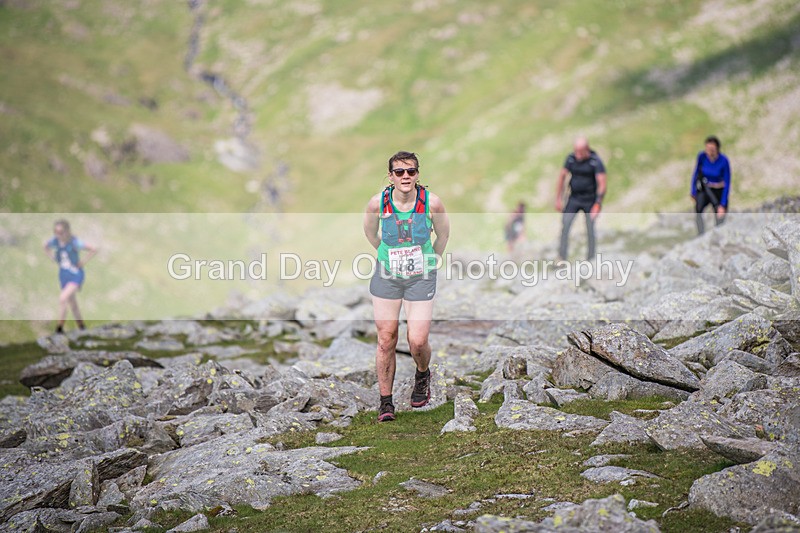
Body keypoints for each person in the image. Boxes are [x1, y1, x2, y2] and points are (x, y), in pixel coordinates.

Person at [363, 151, 450, 422]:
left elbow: (443, 234)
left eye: (411, 171)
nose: (405, 176)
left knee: (417, 339)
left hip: (420, 276)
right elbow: (370, 233)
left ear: (417, 174)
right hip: (387, 275)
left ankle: (422, 373)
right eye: (399, 172)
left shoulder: (432, 203)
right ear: (390, 176)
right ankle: (386, 402)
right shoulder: (377, 203)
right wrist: (387, 255)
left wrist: (431, 261)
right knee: (386, 338)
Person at [555, 136, 606, 261]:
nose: (577, 155)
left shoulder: (595, 161)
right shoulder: (571, 159)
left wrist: (597, 204)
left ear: (586, 149)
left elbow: (602, 184)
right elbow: (562, 177)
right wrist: (558, 198)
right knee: (565, 225)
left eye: (580, 152)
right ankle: (562, 257)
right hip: (574, 198)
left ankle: (590, 259)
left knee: (590, 228)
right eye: (575, 151)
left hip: (590, 200)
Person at [43, 219, 97, 334]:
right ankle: (82, 327)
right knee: (73, 304)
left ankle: (59, 329)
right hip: (63, 275)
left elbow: (93, 249)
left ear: (67, 231)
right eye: (56, 232)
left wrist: (82, 262)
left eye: (61, 232)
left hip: (75, 274)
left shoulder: (74, 242)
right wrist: (52, 257)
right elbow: (45, 246)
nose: (58, 235)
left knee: (63, 298)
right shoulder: (55, 241)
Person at [691, 135, 731, 235]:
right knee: (698, 210)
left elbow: (727, 182)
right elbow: (696, 173)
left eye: (712, 149)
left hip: (718, 191)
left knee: (720, 217)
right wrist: (693, 191)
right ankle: (700, 235)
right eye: (707, 148)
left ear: (717, 149)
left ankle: (718, 236)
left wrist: (722, 204)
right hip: (705, 189)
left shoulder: (724, 161)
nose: (709, 151)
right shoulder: (702, 157)